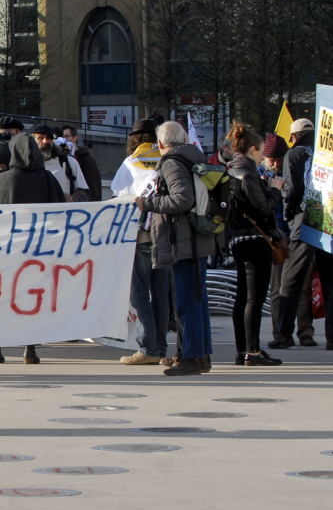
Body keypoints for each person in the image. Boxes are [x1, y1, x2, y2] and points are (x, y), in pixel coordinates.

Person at [136, 121, 214, 376]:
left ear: (160, 144)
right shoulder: (194, 157)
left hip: (183, 241)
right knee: (197, 301)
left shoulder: (171, 162)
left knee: (186, 303)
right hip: (197, 239)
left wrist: (148, 203)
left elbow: (182, 198)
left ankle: (191, 357)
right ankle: (200, 355)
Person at [0, 133, 63, 365]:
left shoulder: (7, 179)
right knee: (33, 299)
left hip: (7, 251)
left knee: (2, 297)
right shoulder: (48, 178)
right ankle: (30, 349)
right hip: (38, 252)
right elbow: (61, 213)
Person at [111, 118, 171, 366]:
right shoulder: (167, 160)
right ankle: (162, 347)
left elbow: (118, 195)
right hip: (165, 233)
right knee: (161, 294)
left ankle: (148, 347)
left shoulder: (131, 162)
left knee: (139, 294)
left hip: (140, 236)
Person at [271, 117, 333, 350]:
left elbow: (293, 189)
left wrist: (288, 215)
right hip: (328, 223)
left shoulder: (294, 154)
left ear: (294, 136)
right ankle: (332, 337)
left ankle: (284, 335)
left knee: (291, 281)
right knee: (330, 282)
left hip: (304, 223)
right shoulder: (326, 154)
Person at [225, 124, 283, 366]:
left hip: (238, 238)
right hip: (254, 239)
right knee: (254, 298)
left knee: (243, 298)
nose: (262, 156)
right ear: (252, 149)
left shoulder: (230, 170)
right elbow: (263, 207)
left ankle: (243, 350)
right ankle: (253, 351)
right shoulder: (246, 172)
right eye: (260, 152)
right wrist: (275, 190)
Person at [260, 133, 307, 346]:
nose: (276, 163)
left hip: (290, 235)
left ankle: (302, 331)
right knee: (278, 287)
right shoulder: (261, 175)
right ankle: (280, 332)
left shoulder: (289, 171)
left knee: (297, 285)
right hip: (273, 239)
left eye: (279, 158)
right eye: (272, 159)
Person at [30, 123, 87, 201]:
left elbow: (84, 191)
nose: (45, 141)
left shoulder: (69, 162)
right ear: (32, 141)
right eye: (40, 138)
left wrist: (71, 199)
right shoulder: (25, 164)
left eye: (48, 138)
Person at [60, 125, 103, 201]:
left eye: (67, 136)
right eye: (62, 137)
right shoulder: (59, 158)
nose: (64, 140)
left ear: (75, 137)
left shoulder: (87, 159)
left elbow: (93, 186)